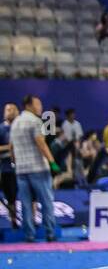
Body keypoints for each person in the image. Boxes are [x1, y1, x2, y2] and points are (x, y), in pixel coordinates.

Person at [10, 95, 60, 242]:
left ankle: (29, 235)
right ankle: (50, 233)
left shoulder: (15, 122)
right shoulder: (35, 121)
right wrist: (52, 162)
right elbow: (41, 143)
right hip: (38, 168)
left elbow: (12, 147)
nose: (41, 107)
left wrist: (15, 162)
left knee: (26, 204)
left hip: (21, 170)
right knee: (46, 202)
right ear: (29, 105)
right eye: (38, 104)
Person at [0, 102, 17, 226]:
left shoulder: (19, 127)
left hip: (21, 168)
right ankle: (13, 220)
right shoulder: (1, 129)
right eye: (7, 109)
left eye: (12, 109)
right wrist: (9, 147)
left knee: (17, 197)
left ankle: (18, 221)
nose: (9, 111)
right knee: (9, 196)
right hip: (5, 168)